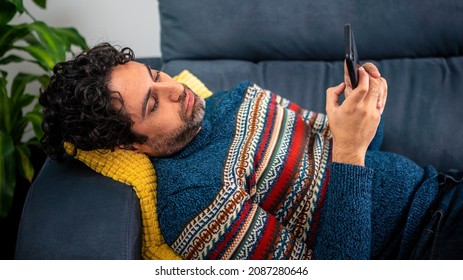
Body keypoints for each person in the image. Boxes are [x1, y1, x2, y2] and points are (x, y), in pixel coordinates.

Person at [39, 42, 462, 260]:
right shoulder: (193, 200)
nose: (176, 89)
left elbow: (361, 149)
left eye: (156, 74)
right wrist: (350, 149)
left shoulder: (236, 99)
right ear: (127, 144)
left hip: (442, 187)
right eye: (153, 103)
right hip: (426, 241)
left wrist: (363, 110)